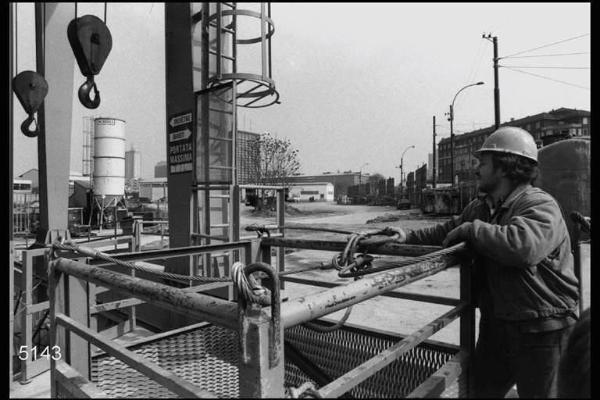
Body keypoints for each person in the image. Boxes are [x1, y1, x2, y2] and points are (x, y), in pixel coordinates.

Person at [387, 126, 580, 398]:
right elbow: (446, 231)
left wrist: (472, 230)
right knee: (481, 393)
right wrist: (405, 236)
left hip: (544, 328)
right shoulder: (482, 206)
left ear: (504, 168)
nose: (476, 169)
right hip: (498, 325)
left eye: (483, 163)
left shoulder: (538, 204)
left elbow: (523, 247)